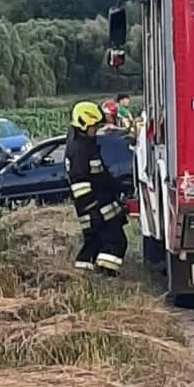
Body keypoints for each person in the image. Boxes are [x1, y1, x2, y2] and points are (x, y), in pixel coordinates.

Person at [64, 101, 128, 276]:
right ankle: (105, 275)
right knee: (115, 241)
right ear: (83, 124)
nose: (96, 130)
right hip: (93, 208)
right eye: (93, 126)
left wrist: (117, 187)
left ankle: (82, 275)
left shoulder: (85, 144)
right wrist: (92, 208)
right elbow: (80, 184)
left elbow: (100, 175)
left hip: (96, 206)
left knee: (93, 244)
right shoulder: (79, 149)